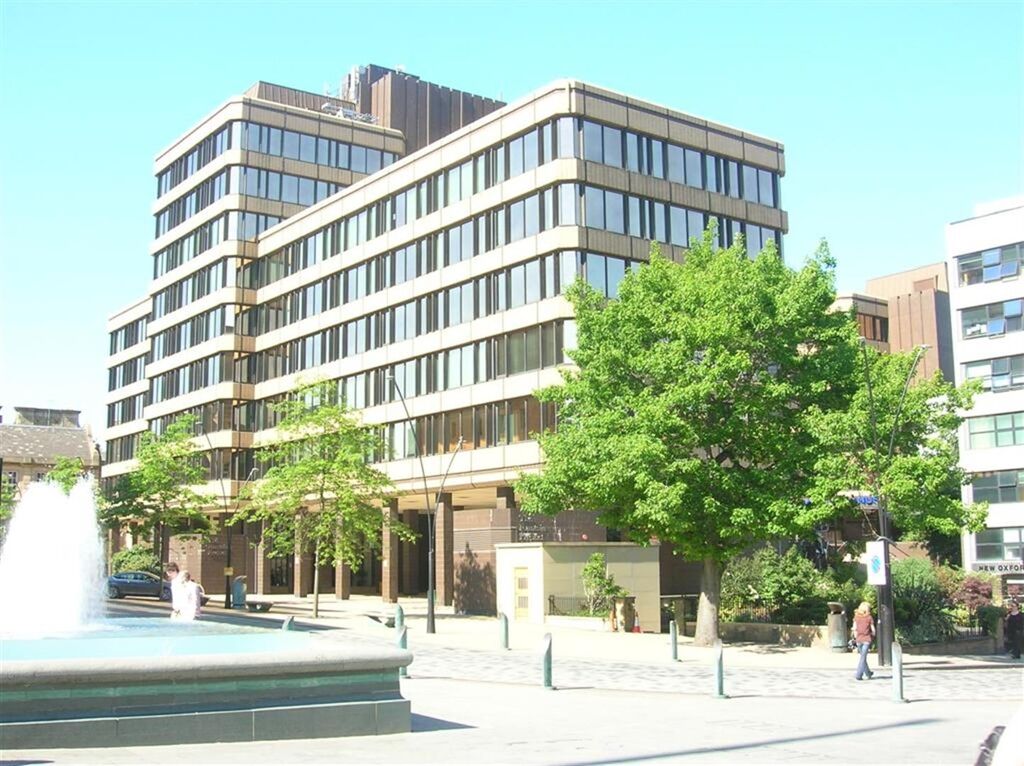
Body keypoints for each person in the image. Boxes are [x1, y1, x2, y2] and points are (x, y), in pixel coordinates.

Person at [852, 601, 875, 680]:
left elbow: (854, 628)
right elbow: (873, 630)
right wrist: (873, 635)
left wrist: (856, 637)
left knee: (863, 657)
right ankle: (858, 675)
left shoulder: (856, 617)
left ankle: (868, 673)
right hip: (866, 639)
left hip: (859, 640)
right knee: (863, 658)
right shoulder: (869, 617)